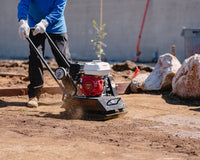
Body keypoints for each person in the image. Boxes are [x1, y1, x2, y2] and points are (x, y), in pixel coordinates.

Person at [17, 0, 72, 108]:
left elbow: (58, 9)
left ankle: (72, 91)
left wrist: (45, 22)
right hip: (35, 24)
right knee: (35, 57)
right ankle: (34, 95)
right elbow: (23, 3)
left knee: (63, 58)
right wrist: (22, 21)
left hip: (56, 26)